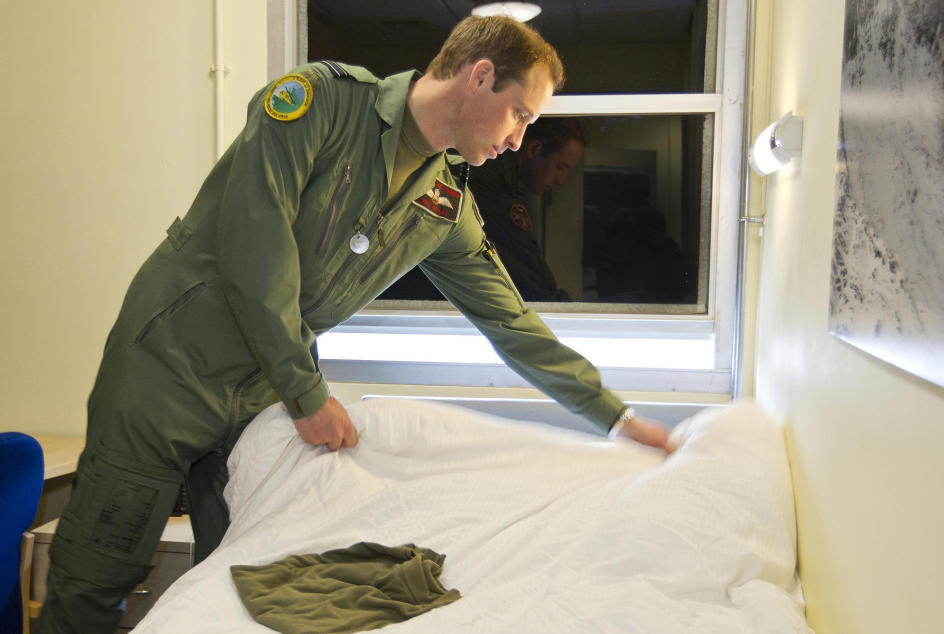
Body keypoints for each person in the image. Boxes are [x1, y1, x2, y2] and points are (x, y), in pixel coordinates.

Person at [38, 15, 671, 633]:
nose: (517, 139)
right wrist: (307, 393)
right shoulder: (321, 104)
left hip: (261, 393)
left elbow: (511, 321)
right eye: (521, 114)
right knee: (98, 573)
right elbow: (254, 252)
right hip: (170, 367)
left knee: (240, 575)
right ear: (479, 77)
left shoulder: (444, 202)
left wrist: (614, 416)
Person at [471, 117, 584, 301]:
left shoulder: (505, 182)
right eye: (560, 167)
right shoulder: (492, 186)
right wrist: (560, 305)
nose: (561, 179)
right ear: (534, 149)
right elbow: (523, 266)